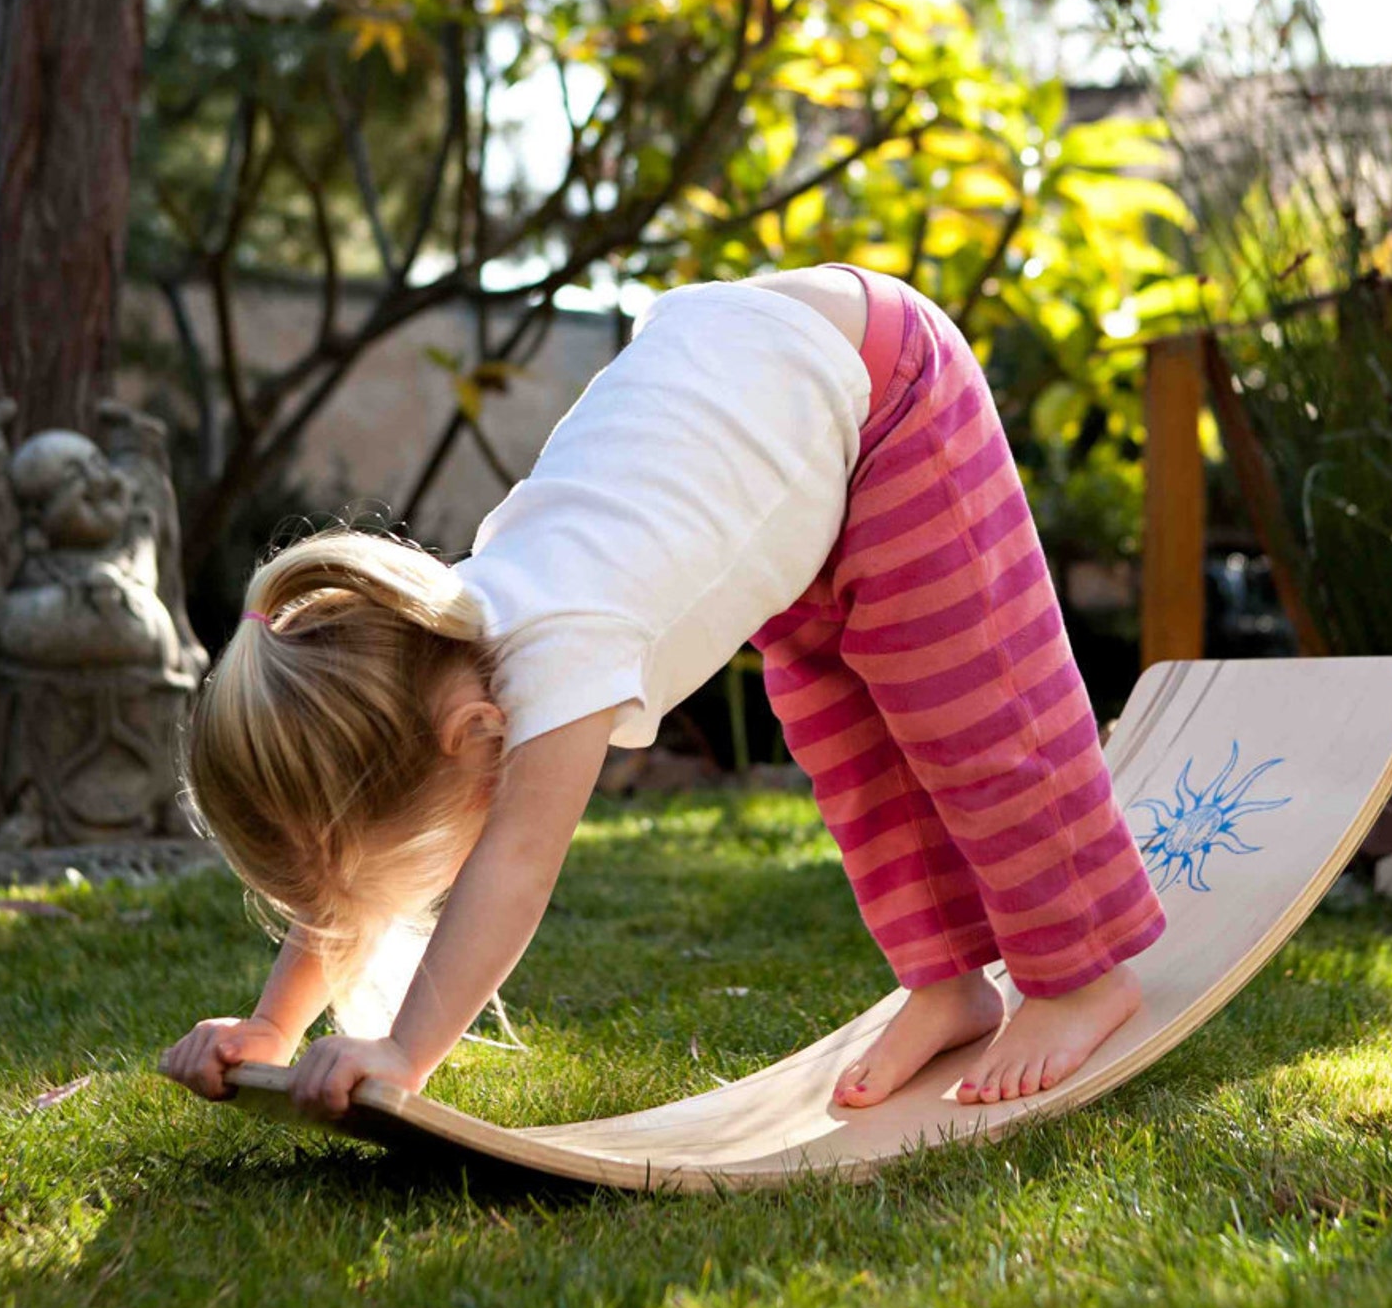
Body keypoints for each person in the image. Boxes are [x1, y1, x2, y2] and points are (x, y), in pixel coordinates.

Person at [163, 265, 1164, 1122]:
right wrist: (274, 1022)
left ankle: (1079, 974)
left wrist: (404, 1056)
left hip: (886, 391)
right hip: (778, 429)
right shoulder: (438, 651)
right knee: (854, 752)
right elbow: (349, 863)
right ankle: (949, 985)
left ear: (469, 735)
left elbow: (513, 869)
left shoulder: (554, 649)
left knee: (975, 714)